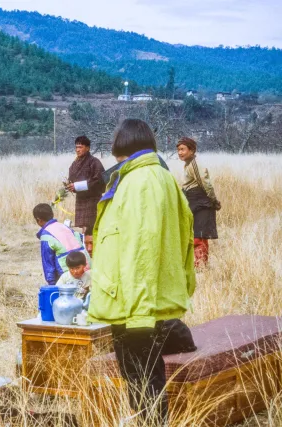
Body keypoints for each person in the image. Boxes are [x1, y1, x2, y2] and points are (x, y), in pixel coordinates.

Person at [88, 119, 196, 425]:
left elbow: (141, 249)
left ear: (122, 145)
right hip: (142, 297)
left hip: (133, 302)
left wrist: (137, 313)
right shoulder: (159, 176)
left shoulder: (140, 181)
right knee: (147, 374)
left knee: (141, 378)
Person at [177, 137, 220, 267]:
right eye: (178, 150)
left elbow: (205, 183)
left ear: (192, 150)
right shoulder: (188, 164)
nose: (180, 152)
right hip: (195, 203)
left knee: (199, 236)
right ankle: (199, 265)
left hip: (202, 204)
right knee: (197, 235)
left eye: (183, 149)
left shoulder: (195, 164)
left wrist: (213, 200)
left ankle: (200, 266)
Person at [65, 136, 105, 254]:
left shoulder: (94, 162)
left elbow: (99, 180)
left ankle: (96, 251)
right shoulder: (74, 164)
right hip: (81, 200)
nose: (78, 150)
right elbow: (71, 179)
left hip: (93, 200)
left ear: (87, 148)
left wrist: (78, 186)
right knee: (84, 228)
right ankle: (87, 252)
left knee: (92, 227)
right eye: (76, 147)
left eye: (80, 147)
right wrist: (70, 186)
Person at [33, 203, 88, 286]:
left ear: (39, 220)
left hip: (68, 272)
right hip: (84, 267)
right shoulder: (64, 227)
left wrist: (52, 284)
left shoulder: (46, 235)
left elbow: (48, 263)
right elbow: (81, 238)